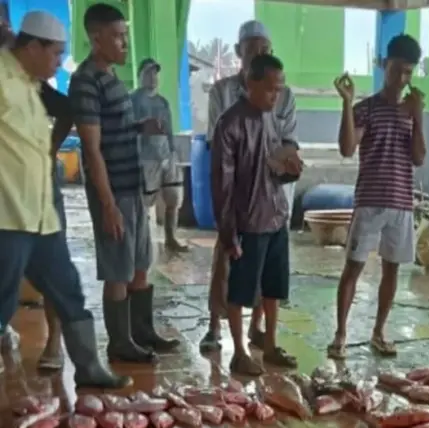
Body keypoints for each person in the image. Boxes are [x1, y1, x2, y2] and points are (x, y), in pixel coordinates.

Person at [0, 10, 130, 390]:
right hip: (8, 217)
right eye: (55, 54)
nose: (59, 63)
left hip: (43, 216)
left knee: (68, 288)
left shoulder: (29, 83)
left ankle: (89, 368)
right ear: (33, 47)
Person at [68, 3, 178, 363]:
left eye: (125, 36)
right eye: (117, 37)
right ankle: (120, 342)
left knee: (140, 262)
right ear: (95, 38)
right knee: (118, 268)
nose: (124, 44)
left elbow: (114, 128)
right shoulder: (85, 81)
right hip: (113, 191)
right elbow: (93, 149)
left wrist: (139, 127)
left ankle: (141, 331)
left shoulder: (113, 79)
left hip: (134, 188)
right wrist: (108, 204)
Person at [200, 20, 299, 359]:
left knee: (272, 284)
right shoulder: (229, 115)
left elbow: (281, 156)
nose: (276, 95)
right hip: (245, 217)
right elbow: (222, 177)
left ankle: (266, 341)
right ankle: (231, 342)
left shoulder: (274, 114)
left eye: (265, 48)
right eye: (253, 47)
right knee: (236, 283)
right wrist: (227, 227)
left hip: (274, 214)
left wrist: (289, 167)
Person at [327, 34, 426, 360]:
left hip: (400, 203)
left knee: (392, 270)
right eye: (397, 70)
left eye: (408, 72)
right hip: (369, 200)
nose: (402, 79)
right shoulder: (366, 108)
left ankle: (378, 332)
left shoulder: (412, 111)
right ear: (385, 65)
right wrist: (346, 103)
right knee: (353, 269)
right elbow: (346, 148)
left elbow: (418, 158)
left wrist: (418, 118)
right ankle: (341, 334)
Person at [131, 57, 187, 253]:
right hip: (145, 157)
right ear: (140, 76)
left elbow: (169, 129)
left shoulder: (163, 102)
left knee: (173, 198)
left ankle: (170, 238)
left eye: (155, 73)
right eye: (148, 73)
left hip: (166, 156)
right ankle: (142, 242)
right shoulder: (133, 100)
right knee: (144, 203)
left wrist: (173, 153)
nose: (153, 77)